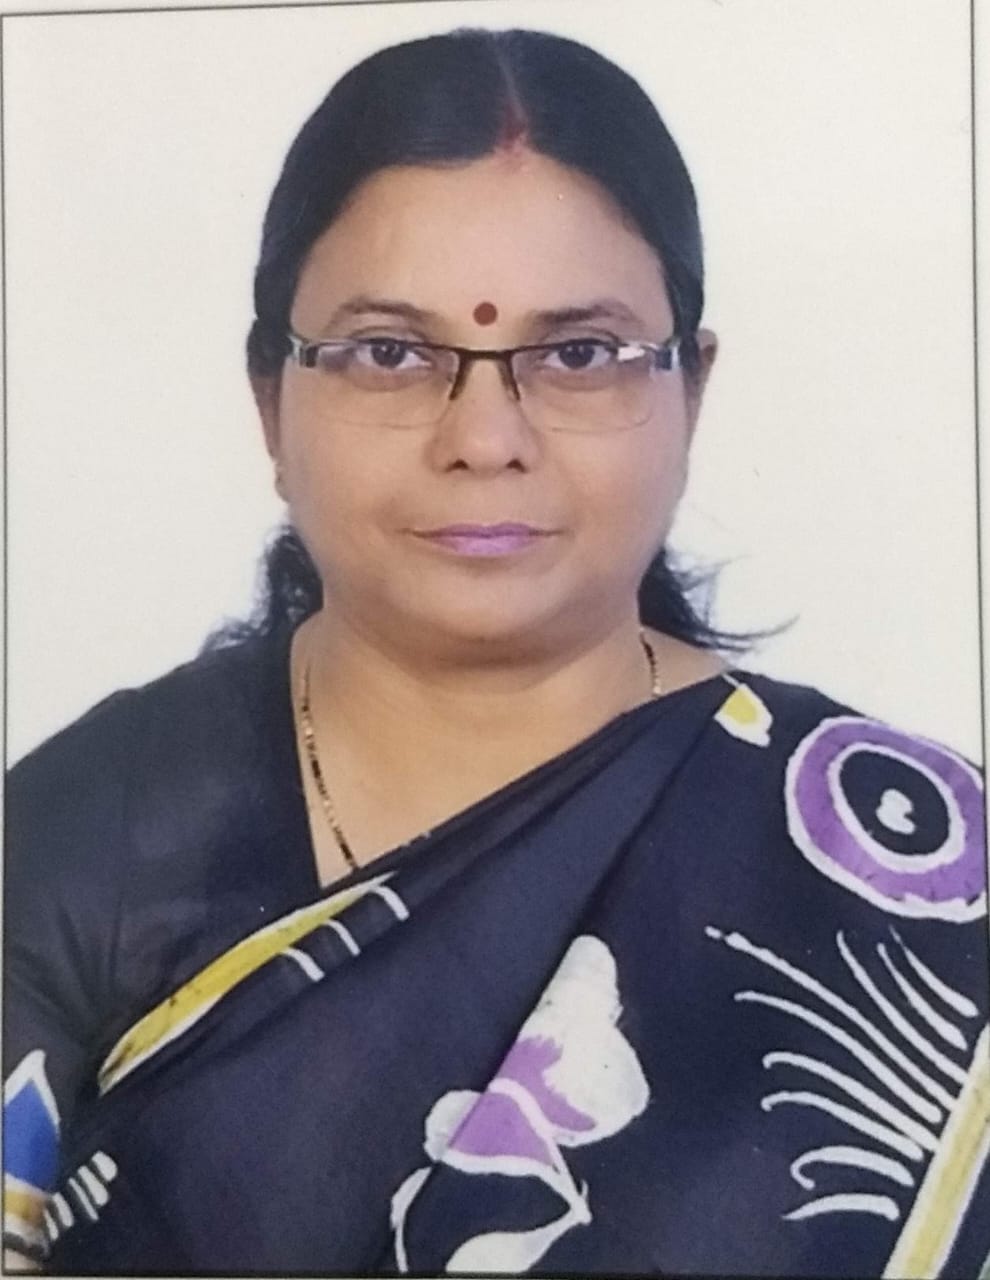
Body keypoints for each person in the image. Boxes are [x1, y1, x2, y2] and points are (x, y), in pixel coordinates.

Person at [3, 25, 987, 1278]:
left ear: (691, 391)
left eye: (577, 354)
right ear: (270, 399)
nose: (484, 436)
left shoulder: (918, 880)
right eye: (389, 352)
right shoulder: (80, 840)